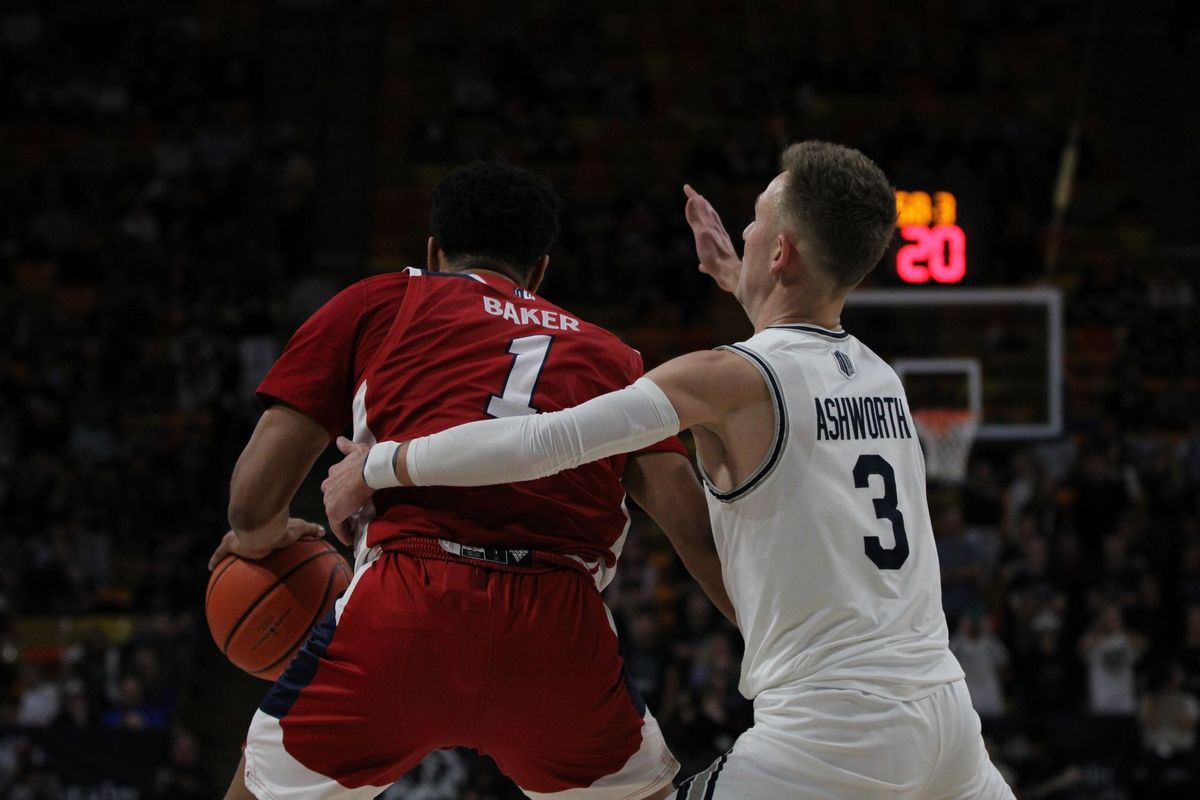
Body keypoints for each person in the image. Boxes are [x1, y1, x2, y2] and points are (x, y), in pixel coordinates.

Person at [325, 141, 1016, 799]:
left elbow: (539, 442)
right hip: (947, 720)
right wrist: (744, 280)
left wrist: (380, 465)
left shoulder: (724, 380)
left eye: (753, 223)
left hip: (833, 732)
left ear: (779, 253)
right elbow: (795, 339)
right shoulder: (880, 380)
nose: (739, 233)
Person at [210, 160, 732, 800]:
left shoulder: (379, 301)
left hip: (404, 607)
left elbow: (251, 502)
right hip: (558, 635)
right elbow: (697, 535)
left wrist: (259, 538)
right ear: (541, 270)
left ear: (433, 253)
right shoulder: (613, 356)